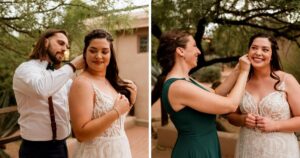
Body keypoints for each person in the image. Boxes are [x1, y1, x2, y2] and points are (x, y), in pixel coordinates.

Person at [151, 29, 251, 158]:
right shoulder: (178, 87)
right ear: (180, 51)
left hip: (205, 144)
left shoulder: (186, 80)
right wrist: (244, 72)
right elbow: (230, 105)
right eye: (194, 46)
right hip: (195, 150)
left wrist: (237, 71)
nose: (199, 51)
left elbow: (216, 95)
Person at [13, 29, 85, 158]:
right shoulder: (25, 69)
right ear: (46, 42)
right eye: (60, 43)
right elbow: (43, 89)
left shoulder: (60, 76)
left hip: (61, 147)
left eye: (66, 47)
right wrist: (73, 65)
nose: (64, 49)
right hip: (35, 150)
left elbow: (78, 95)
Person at [226, 33, 300, 158]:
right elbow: (230, 115)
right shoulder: (241, 81)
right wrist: (242, 119)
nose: (258, 53)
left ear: (272, 56)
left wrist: (276, 125)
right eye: (254, 48)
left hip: (281, 152)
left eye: (265, 49)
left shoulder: (286, 80)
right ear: (248, 52)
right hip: (247, 150)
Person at [68, 29, 137, 158]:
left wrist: (131, 101)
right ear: (85, 53)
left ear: (111, 55)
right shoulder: (82, 83)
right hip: (96, 153)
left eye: (104, 51)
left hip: (119, 150)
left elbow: (116, 123)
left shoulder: (110, 81)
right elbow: (81, 134)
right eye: (93, 51)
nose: (98, 56)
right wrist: (116, 111)